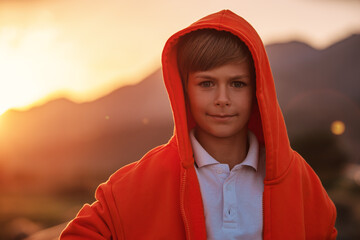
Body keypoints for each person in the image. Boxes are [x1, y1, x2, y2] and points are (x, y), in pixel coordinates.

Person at [60, 10, 337, 239]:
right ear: (184, 90)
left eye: (237, 84)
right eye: (206, 83)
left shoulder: (300, 179)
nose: (222, 99)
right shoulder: (132, 185)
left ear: (258, 90)